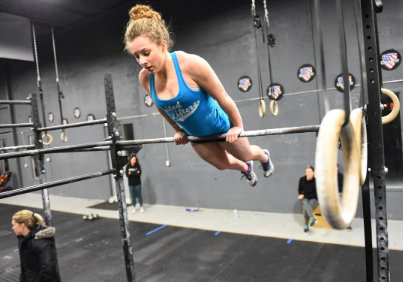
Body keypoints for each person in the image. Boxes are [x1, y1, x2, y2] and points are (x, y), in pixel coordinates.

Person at [123, 4, 274, 187]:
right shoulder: (145, 78)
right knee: (222, 164)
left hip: (221, 128)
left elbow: (223, 97)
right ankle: (245, 168)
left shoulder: (191, 64)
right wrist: (177, 130)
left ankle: (263, 156)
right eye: (137, 56)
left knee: (247, 153)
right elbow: (160, 106)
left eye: (146, 53)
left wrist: (238, 126)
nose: (142, 61)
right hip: (196, 135)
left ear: (162, 45)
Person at [11, 210, 61, 282]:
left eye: (14, 225)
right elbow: (27, 267)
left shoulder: (41, 242)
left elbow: (49, 270)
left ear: (22, 226)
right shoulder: (24, 239)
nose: (13, 228)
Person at [298, 165, 318, 232]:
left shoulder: (316, 181)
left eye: (309, 172)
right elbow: (300, 190)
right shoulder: (302, 179)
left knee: (309, 204)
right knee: (305, 202)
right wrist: (301, 194)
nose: (308, 173)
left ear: (313, 172)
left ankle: (306, 224)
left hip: (314, 199)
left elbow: (315, 194)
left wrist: (304, 195)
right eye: (306, 171)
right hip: (306, 199)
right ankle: (312, 218)